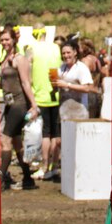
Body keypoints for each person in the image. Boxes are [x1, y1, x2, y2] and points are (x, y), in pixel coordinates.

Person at [28, 25, 62, 181]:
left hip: (39, 96)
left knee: (45, 133)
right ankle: (54, 166)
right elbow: (57, 70)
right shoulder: (55, 47)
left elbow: (28, 75)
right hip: (55, 94)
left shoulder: (31, 48)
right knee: (56, 133)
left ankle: (43, 165)